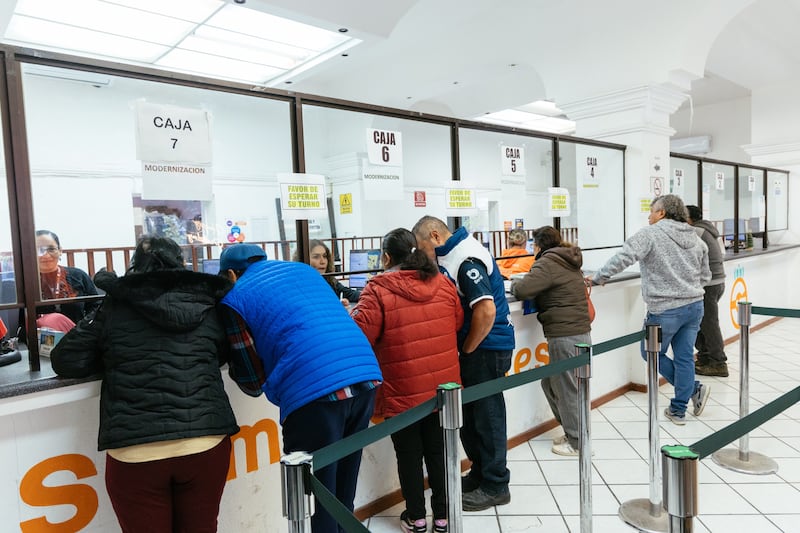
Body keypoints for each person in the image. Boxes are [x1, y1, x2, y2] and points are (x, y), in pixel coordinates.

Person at [50, 236, 239, 533]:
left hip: (136, 453)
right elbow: (221, 354)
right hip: (205, 443)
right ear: (181, 265)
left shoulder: (114, 305)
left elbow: (66, 360)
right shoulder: (207, 302)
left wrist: (115, 355)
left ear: (134, 266)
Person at [218, 243, 382, 533]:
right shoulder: (303, 271)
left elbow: (252, 381)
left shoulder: (235, 296)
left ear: (231, 274)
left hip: (315, 391)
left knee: (317, 493)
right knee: (344, 486)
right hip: (365, 376)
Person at [350, 228, 463, 533]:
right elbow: (457, 321)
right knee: (439, 454)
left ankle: (417, 518)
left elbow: (362, 335)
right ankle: (443, 516)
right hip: (443, 388)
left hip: (403, 390)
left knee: (409, 457)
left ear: (386, 257)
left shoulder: (377, 289)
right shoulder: (442, 282)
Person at [412, 216, 514, 512]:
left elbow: (485, 310)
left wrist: (467, 350)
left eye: (422, 247)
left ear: (434, 235)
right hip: (475, 348)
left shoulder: (466, 257)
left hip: (486, 347)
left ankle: (496, 484)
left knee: (488, 415)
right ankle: (481, 474)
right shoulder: (452, 255)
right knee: (471, 416)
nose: (422, 254)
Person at [591, 195, 712, 425]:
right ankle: (679, 409)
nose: (649, 215)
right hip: (695, 305)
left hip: (664, 309)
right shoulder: (696, 238)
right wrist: (689, 288)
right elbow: (706, 276)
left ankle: (692, 391)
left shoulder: (650, 234)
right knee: (685, 357)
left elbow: (624, 257)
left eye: (652, 211)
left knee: (650, 353)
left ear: (662, 213)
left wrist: (599, 277)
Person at [510, 226, 591, 456]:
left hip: (564, 333)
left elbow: (524, 289)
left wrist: (515, 284)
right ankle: (574, 431)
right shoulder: (568, 259)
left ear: (537, 245)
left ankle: (577, 442)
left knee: (566, 388)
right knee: (554, 383)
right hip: (580, 330)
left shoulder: (547, 262)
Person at [686, 205, 729, 377]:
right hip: (717, 282)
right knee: (703, 322)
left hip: (708, 284)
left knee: (709, 324)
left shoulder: (695, 231)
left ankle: (719, 363)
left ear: (688, 218)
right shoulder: (708, 229)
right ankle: (705, 357)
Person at [35, 229, 100, 327]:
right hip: (39, 339)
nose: (46, 255)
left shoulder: (79, 276)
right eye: (39, 250)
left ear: (60, 251)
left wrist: (86, 326)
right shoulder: (26, 281)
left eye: (51, 249)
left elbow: (96, 306)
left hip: (78, 335)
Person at [293, 239, 360, 304]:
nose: (323, 261)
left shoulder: (329, 280)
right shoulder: (296, 286)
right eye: (316, 257)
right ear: (303, 259)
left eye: (325, 256)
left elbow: (351, 294)